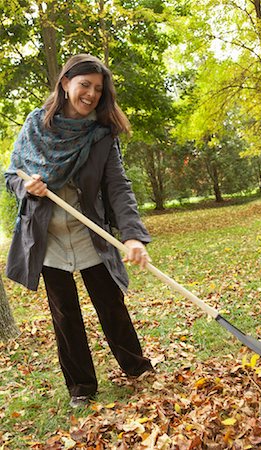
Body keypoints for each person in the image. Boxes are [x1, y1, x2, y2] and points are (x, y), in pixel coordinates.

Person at [5, 53, 154, 408]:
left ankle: (138, 370)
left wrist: (132, 234)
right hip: (48, 238)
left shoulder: (102, 136)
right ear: (66, 83)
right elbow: (11, 175)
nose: (91, 94)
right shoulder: (36, 125)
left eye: (98, 89)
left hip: (90, 235)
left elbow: (119, 187)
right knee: (64, 315)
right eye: (84, 84)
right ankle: (82, 387)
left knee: (111, 305)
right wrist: (27, 187)